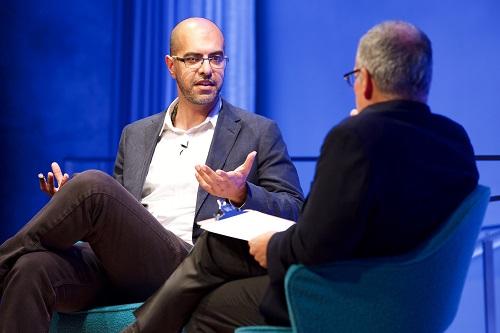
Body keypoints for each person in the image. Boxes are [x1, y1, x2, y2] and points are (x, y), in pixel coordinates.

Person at [121, 20, 479, 333]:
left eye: (215, 58)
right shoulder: (456, 140)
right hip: (416, 303)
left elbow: (315, 240)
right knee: (216, 251)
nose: (207, 68)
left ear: (366, 82)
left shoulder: (354, 138)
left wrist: (270, 245)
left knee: (209, 301)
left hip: (343, 295)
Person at [0, 17, 304, 333]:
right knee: (30, 268)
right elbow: (118, 216)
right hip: (120, 264)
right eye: (193, 58)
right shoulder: (137, 134)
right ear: (171, 65)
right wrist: (70, 202)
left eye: (215, 58)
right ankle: (13, 260)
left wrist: (242, 193)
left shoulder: (257, 132)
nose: (206, 69)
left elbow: (294, 207)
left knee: (92, 186)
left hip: (189, 265)